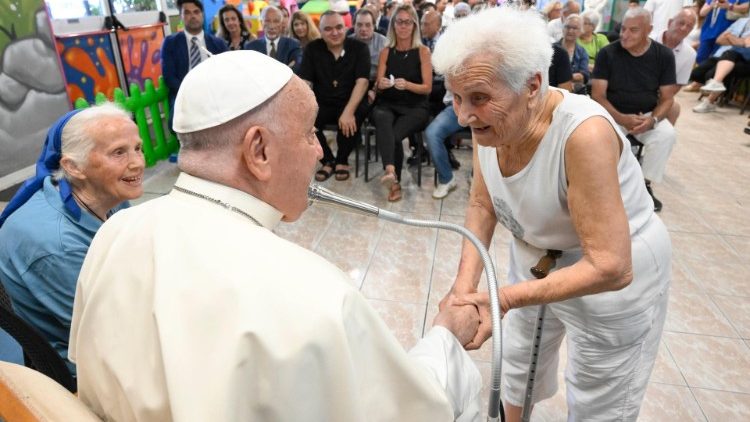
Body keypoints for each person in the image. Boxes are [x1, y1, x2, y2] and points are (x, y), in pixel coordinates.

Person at [68, 50, 482, 421]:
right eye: (307, 133)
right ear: (259, 151)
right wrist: (446, 336)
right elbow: (420, 410)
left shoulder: (115, 232)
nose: (320, 150)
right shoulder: (316, 296)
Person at [433, 7, 671, 421]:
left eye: (479, 98)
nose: (463, 115)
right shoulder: (490, 123)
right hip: (538, 256)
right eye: (456, 97)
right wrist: (463, 289)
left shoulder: (583, 134)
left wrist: (500, 299)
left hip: (610, 277)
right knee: (518, 361)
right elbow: (481, 203)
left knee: (600, 393)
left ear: (532, 86)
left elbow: (612, 266)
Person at [0, 104, 144, 377]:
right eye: (118, 152)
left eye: (137, 147)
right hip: (90, 368)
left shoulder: (106, 194)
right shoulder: (55, 245)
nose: (137, 162)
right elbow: (111, 337)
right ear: (73, 167)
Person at [592, 7, 677, 212]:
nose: (625, 35)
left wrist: (652, 121)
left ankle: (643, 186)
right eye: (623, 29)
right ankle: (604, 188)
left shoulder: (663, 55)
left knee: (666, 134)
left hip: (646, 115)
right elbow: (598, 95)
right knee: (601, 140)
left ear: (649, 30)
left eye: (633, 30)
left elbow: (667, 98)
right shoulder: (608, 53)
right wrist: (621, 118)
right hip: (611, 113)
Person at [299, 11, 370, 182]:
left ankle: (342, 160)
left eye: (339, 27)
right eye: (328, 29)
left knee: (353, 115)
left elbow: (362, 82)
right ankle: (327, 160)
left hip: (351, 99)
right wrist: (304, 109)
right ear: (320, 31)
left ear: (345, 27)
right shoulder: (312, 49)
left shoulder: (359, 48)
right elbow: (306, 82)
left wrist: (348, 111)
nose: (335, 32)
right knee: (305, 121)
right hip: (322, 101)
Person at [372, 4, 432, 202]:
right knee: (381, 117)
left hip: (415, 106)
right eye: (399, 22)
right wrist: (380, 84)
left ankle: (392, 177)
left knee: (394, 136)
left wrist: (407, 85)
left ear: (414, 25)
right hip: (388, 103)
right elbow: (379, 86)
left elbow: (427, 88)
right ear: (393, 25)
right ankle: (392, 174)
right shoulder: (386, 52)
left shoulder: (423, 52)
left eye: (407, 22)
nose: (403, 26)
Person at [162, 0, 228, 130]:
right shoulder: (170, 43)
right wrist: (192, 92)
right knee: (177, 122)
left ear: (202, 15)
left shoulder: (218, 43)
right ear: (181, 16)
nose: (192, 16)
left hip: (213, 93)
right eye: (187, 12)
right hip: (184, 94)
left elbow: (226, 72)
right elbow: (169, 76)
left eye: (196, 12)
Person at [691, 15, 750, 112]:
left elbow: (746, 44)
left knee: (717, 71)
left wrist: (730, 37)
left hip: (745, 61)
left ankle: (709, 101)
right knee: (697, 73)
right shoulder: (742, 21)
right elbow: (720, 39)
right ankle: (716, 83)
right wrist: (739, 41)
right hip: (729, 56)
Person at [653, 8, 698, 123]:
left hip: (658, 96)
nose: (684, 28)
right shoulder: (648, 40)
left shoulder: (690, 54)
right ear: (669, 23)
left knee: (674, 108)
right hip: (631, 88)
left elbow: (677, 85)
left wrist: (658, 99)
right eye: (681, 23)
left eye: (689, 26)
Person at [245, 6, 302, 70]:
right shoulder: (251, 47)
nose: (272, 26)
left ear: (281, 24)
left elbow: (296, 69)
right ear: (261, 23)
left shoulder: (293, 45)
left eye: (276, 21)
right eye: (267, 21)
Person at [555, 13, 590, 93]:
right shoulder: (552, 48)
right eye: (567, 27)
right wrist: (571, 77)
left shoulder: (582, 52)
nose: (570, 31)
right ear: (562, 28)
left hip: (573, 92)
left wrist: (561, 77)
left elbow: (583, 76)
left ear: (581, 31)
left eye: (574, 28)